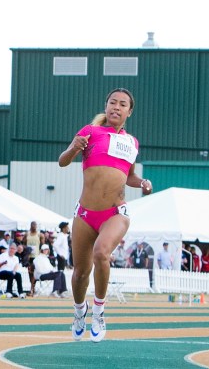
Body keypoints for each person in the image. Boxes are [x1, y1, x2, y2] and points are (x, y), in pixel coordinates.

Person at [58, 88, 152, 343]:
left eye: (122, 104)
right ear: (106, 105)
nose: (116, 107)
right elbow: (63, 161)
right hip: (85, 214)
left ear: (129, 112)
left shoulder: (132, 142)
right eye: (113, 102)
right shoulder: (90, 131)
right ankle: (80, 312)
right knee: (79, 272)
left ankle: (99, 311)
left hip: (115, 212)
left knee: (102, 253)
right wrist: (74, 148)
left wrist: (142, 182)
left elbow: (129, 175)